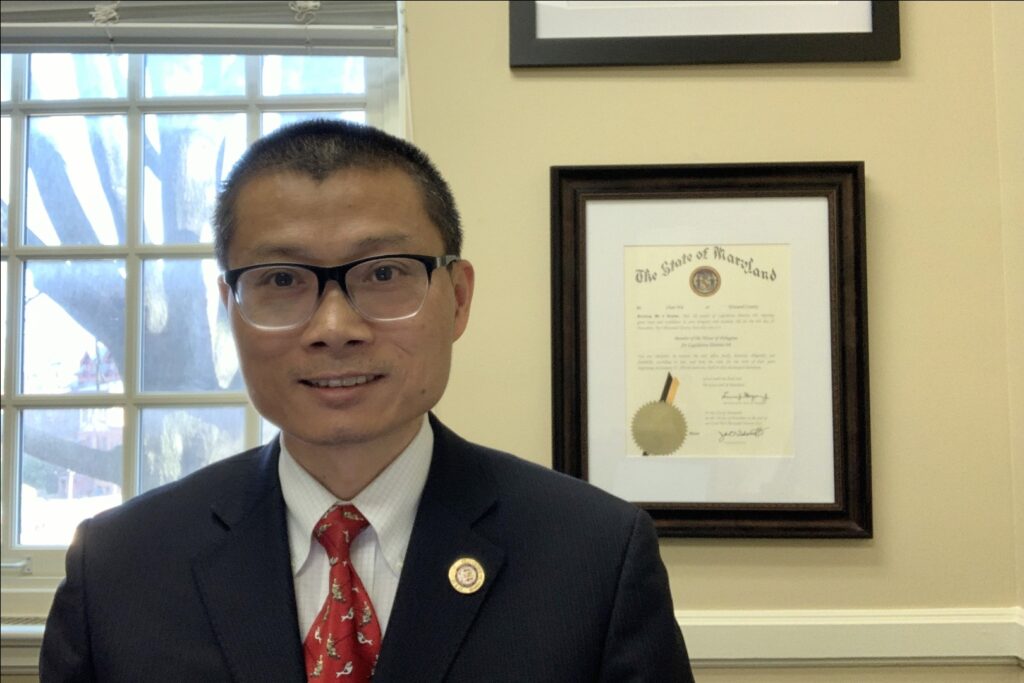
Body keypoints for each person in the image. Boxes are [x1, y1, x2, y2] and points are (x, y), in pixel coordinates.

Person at [40, 120, 694, 682]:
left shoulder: (594, 558)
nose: (333, 327)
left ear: (458, 298)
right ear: (228, 311)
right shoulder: (120, 567)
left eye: (383, 272)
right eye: (281, 279)